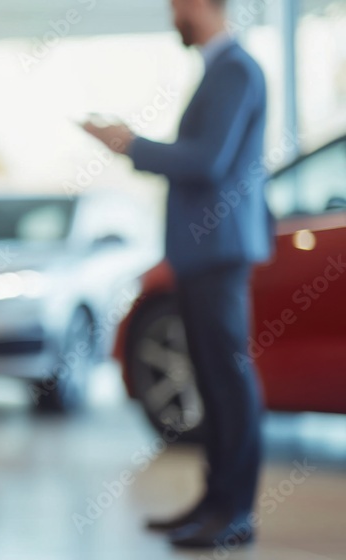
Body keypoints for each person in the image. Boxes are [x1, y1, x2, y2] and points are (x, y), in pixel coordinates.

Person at [83, 0, 273, 549]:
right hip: (203, 252)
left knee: (228, 381)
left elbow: (207, 162)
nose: (172, 13)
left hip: (219, 250)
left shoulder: (235, 69)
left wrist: (129, 144)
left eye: (176, 4)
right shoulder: (221, 69)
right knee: (212, 381)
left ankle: (235, 511)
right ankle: (215, 502)